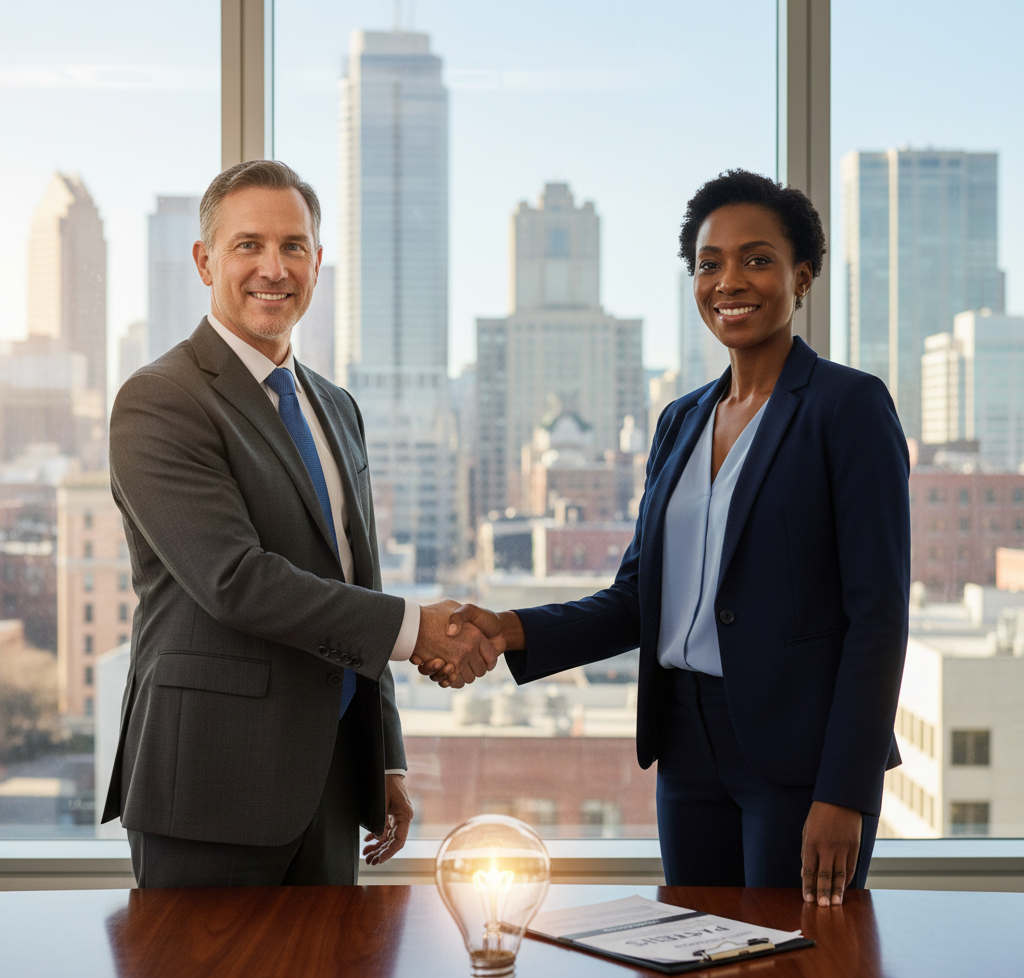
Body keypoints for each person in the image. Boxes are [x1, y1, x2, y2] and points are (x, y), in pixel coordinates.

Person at [421, 169, 910, 907]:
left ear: (801, 276)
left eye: (757, 258)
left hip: (800, 758)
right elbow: (638, 599)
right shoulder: (681, 420)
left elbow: (880, 620)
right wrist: (509, 629)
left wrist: (847, 790)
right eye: (709, 263)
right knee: (691, 964)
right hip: (685, 746)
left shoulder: (848, 407)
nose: (729, 281)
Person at [101, 160, 496, 888]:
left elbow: (354, 578)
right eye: (248, 244)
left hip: (329, 783)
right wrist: (419, 632)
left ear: (317, 262)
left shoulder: (335, 406)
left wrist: (382, 756)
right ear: (205, 260)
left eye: (294, 246)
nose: (273, 268)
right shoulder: (159, 399)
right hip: (210, 787)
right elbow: (235, 582)